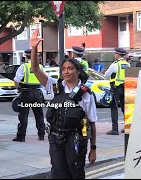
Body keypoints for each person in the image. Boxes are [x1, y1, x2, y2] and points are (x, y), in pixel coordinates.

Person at [29, 29, 97, 179]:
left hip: (76, 140)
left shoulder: (86, 95)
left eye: (70, 68)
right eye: (64, 69)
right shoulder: (55, 87)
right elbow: (35, 69)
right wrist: (34, 49)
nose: (67, 72)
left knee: (75, 172)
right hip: (55, 139)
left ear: (78, 71)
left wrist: (93, 149)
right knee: (59, 173)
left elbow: (91, 123)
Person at [12, 49, 45, 142]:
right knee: (39, 115)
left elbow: (16, 80)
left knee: (23, 115)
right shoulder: (40, 67)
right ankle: (41, 135)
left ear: (26, 56)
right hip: (37, 93)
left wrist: (18, 89)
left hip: (26, 93)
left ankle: (21, 136)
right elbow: (44, 80)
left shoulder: (24, 66)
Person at [104, 48, 130, 135]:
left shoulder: (115, 65)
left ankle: (115, 129)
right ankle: (128, 127)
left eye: (115, 54)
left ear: (118, 55)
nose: (115, 55)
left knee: (114, 108)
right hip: (126, 88)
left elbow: (106, 75)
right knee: (125, 108)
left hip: (116, 88)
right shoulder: (127, 64)